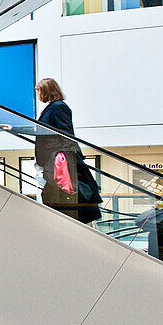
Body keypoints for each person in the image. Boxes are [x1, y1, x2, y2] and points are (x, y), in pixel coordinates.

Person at [34, 78, 102, 224]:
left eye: (39, 90)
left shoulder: (58, 107)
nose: (38, 94)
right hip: (58, 159)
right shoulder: (52, 107)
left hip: (61, 159)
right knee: (56, 194)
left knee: (64, 193)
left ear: (46, 91)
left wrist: (65, 158)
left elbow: (66, 133)